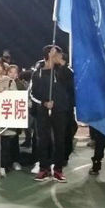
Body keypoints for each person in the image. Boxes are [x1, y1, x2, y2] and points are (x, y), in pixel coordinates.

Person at [30, 45, 73, 182]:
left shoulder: (62, 70)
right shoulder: (37, 72)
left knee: (60, 140)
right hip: (43, 111)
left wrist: (61, 63)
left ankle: (58, 170)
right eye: (57, 54)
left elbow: (71, 78)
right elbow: (32, 94)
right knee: (43, 140)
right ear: (49, 55)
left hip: (60, 110)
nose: (60, 56)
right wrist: (43, 103)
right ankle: (44, 168)